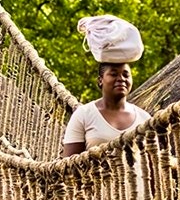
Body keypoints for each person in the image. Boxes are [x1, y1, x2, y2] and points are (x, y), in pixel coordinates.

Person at [61, 15, 150, 157]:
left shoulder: (144, 119)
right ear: (100, 80)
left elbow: (153, 166)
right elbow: (68, 165)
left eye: (126, 75)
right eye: (114, 74)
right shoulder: (84, 115)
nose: (121, 79)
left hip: (137, 180)